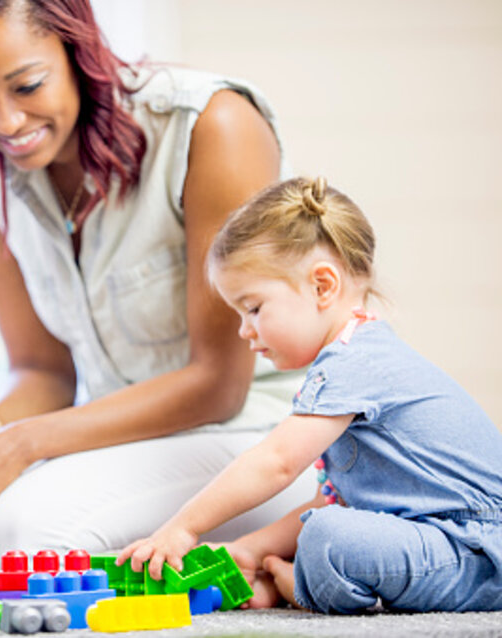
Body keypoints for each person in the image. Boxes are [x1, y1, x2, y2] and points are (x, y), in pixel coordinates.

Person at [0, 0, 313, 554]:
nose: (4, 123)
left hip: (269, 442)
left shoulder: (210, 125)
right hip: (126, 449)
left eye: (27, 86)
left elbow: (218, 385)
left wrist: (21, 444)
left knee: (25, 534)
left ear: (79, 52)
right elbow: (42, 373)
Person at [118, 176, 502, 613]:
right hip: (448, 546)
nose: (245, 330)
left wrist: (182, 527)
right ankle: (289, 576)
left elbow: (276, 463)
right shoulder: (353, 359)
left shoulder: (356, 361)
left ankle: (296, 587)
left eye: (254, 308)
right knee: (328, 520)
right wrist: (247, 548)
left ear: (322, 286)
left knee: (327, 536)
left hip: (477, 552)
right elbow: (333, 497)